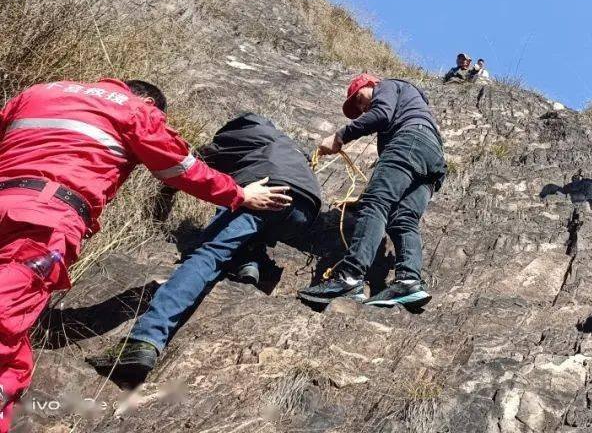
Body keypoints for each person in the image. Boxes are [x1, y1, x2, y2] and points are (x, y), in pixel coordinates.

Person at [0, 80, 290, 431]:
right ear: (150, 101)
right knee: (7, 316)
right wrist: (240, 194)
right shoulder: (136, 110)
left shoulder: (40, 92)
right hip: (45, 218)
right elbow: (182, 168)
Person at [90, 112, 322, 383]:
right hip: (306, 210)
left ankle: (145, 339)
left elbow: (189, 164)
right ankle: (249, 262)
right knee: (250, 223)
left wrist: (161, 204)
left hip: (267, 189)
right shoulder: (287, 144)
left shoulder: (240, 135)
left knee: (209, 254)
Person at [299, 73, 445, 307]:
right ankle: (409, 280)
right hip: (433, 159)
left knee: (375, 205)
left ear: (369, 84)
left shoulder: (387, 85)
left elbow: (381, 114)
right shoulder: (413, 108)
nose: (362, 108)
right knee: (403, 219)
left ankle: (349, 277)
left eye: (359, 99)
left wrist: (339, 136)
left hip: (409, 143)